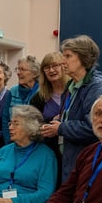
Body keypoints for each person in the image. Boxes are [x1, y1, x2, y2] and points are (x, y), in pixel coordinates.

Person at [39, 35, 102, 182]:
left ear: (84, 58)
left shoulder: (100, 87)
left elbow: (96, 128)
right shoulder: (71, 86)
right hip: (71, 159)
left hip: (92, 163)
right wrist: (61, 120)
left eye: (68, 56)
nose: (62, 61)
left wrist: (61, 128)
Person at [30, 52, 69, 186]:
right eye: (47, 67)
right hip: (49, 153)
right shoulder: (38, 98)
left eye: (55, 66)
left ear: (64, 66)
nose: (51, 70)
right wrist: (50, 124)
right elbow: (31, 128)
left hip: (72, 151)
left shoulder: (75, 92)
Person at [2, 55, 40, 142]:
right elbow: (5, 119)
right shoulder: (13, 91)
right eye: (18, 69)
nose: (19, 72)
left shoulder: (41, 92)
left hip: (34, 142)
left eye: (22, 69)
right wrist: (8, 142)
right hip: (13, 142)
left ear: (34, 73)